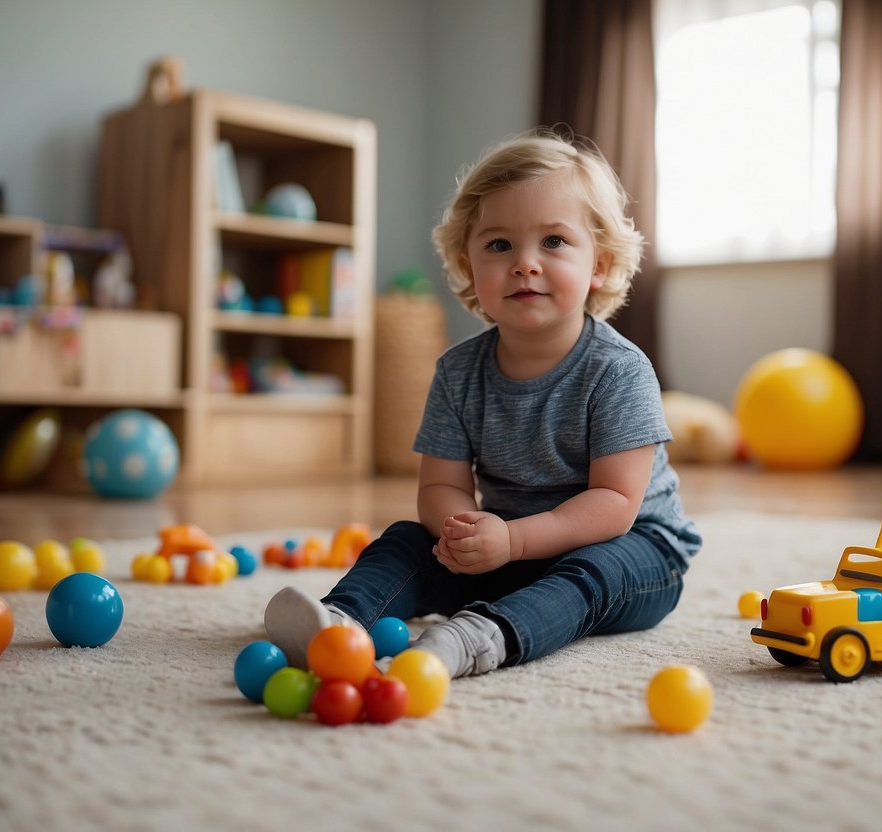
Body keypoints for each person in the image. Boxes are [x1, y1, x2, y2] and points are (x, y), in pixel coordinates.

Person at [264, 130, 701, 679]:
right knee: (405, 538)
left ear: (600, 264)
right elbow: (439, 486)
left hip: (633, 551)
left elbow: (615, 502)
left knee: (595, 570)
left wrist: (515, 539)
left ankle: (480, 636)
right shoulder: (457, 372)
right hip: (507, 546)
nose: (524, 264)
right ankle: (339, 624)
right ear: (470, 268)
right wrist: (467, 533)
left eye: (554, 242)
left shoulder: (619, 370)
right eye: (499, 245)